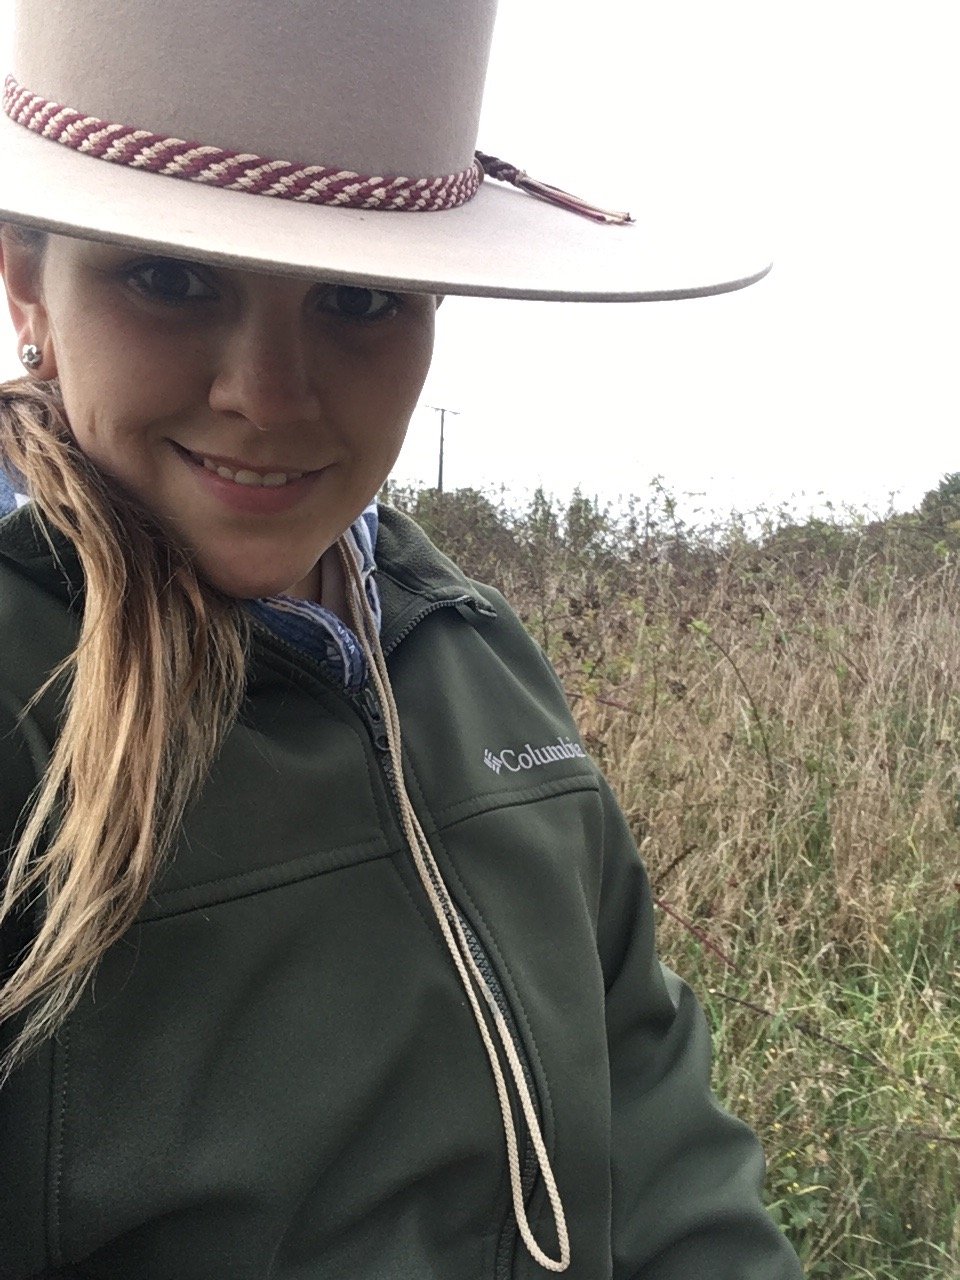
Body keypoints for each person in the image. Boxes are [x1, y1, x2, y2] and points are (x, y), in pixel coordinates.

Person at [0, 1, 803, 1276]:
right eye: (168, 276)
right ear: (27, 281)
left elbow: (645, 1101)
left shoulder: (471, 650)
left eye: (363, 297)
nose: (267, 393)